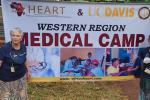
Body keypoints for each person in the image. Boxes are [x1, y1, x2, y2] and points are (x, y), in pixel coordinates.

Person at [0, 27, 28, 100]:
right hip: (6, 79)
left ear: (21, 37)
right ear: (11, 36)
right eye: (13, 35)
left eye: (18, 36)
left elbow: (25, 59)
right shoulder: (4, 48)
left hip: (21, 76)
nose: (15, 38)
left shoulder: (23, 46)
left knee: (21, 97)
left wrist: (28, 71)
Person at [138, 35, 150, 100]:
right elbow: (143, 66)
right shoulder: (143, 50)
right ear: (148, 40)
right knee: (145, 95)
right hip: (146, 78)